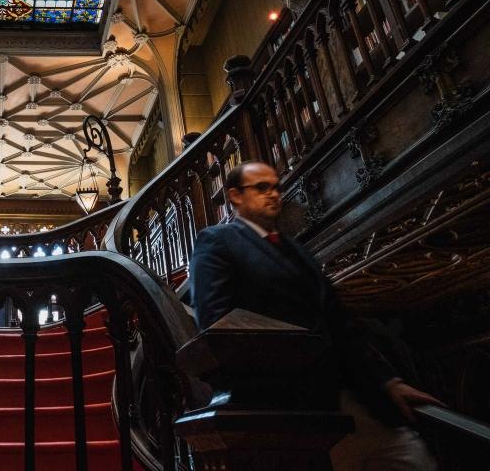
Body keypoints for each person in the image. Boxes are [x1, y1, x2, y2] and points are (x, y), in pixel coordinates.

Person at [189, 161, 441, 471]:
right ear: (235, 196)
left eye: (277, 187)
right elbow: (218, 324)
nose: (274, 195)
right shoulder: (217, 242)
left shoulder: (297, 250)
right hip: (289, 410)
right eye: (262, 187)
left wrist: (386, 381)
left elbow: (340, 322)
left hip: (356, 398)